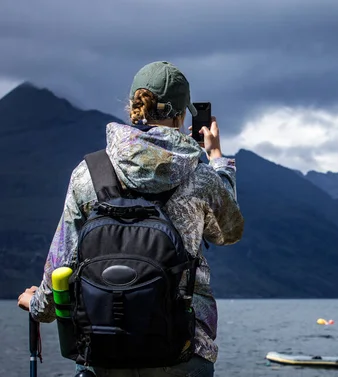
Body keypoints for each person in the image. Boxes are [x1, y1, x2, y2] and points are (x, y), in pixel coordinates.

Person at [17, 61, 245, 377]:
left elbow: (61, 263)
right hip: (185, 351)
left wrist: (37, 306)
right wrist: (218, 160)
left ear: (133, 107)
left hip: (104, 349)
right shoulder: (200, 177)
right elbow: (230, 230)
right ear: (180, 117)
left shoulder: (88, 174)